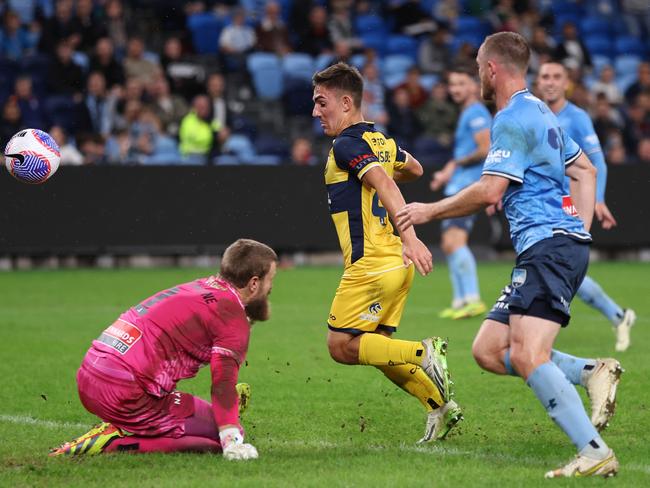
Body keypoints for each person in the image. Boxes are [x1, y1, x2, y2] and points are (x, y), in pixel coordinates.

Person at [397, 32, 621, 478]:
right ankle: (593, 371)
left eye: (480, 65)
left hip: (548, 247)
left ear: (492, 69)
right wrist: (579, 229)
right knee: (488, 348)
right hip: (550, 246)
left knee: (529, 356)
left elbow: (490, 190)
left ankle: (593, 451)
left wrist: (429, 210)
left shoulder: (513, 117)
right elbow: (584, 169)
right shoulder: (542, 112)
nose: (480, 73)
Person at [311, 62, 462, 443]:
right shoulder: (381, 142)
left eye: (321, 102)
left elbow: (385, 184)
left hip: (374, 262)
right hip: (396, 264)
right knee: (376, 350)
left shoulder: (347, 144)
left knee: (340, 347)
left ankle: (422, 353)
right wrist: (386, 174)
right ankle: (438, 405)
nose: (316, 112)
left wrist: (410, 236)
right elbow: (414, 169)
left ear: (346, 103)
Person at [50, 239, 277, 460]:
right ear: (254, 283)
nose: (272, 287)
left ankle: (124, 423)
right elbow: (223, 384)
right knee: (218, 438)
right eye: (271, 280)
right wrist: (231, 437)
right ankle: (114, 442)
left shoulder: (203, 286)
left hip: (91, 373)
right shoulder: (232, 319)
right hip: (126, 391)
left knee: (218, 420)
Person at [537, 61, 636, 351]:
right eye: (545, 76)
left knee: (557, 265)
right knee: (563, 269)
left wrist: (598, 198)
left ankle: (539, 334)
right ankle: (618, 316)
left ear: (566, 81)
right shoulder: (536, 114)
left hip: (570, 205)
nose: (551, 82)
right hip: (543, 203)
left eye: (557, 76)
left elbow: (598, 161)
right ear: (538, 81)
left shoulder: (577, 117)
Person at [430, 65, 491, 320]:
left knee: (456, 241)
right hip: (458, 183)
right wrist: (447, 173)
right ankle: (460, 301)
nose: (455, 89)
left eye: (461, 83)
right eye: (452, 84)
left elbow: (485, 148)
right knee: (448, 243)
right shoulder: (467, 113)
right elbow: (462, 154)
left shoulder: (476, 112)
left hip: (469, 186)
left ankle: (473, 299)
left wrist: (457, 165)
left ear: (474, 86)